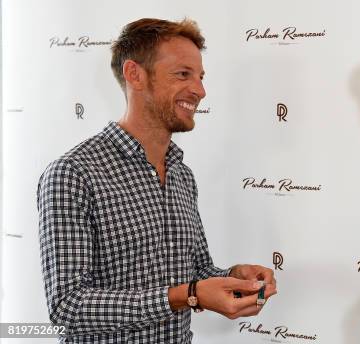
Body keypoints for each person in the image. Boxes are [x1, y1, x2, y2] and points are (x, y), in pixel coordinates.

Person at [37, 18, 277, 343]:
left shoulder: (181, 174)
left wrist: (233, 277)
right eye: (183, 74)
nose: (200, 90)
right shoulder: (74, 173)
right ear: (135, 74)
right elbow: (68, 306)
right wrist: (187, 294)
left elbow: (195, 272)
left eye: (201, 77)